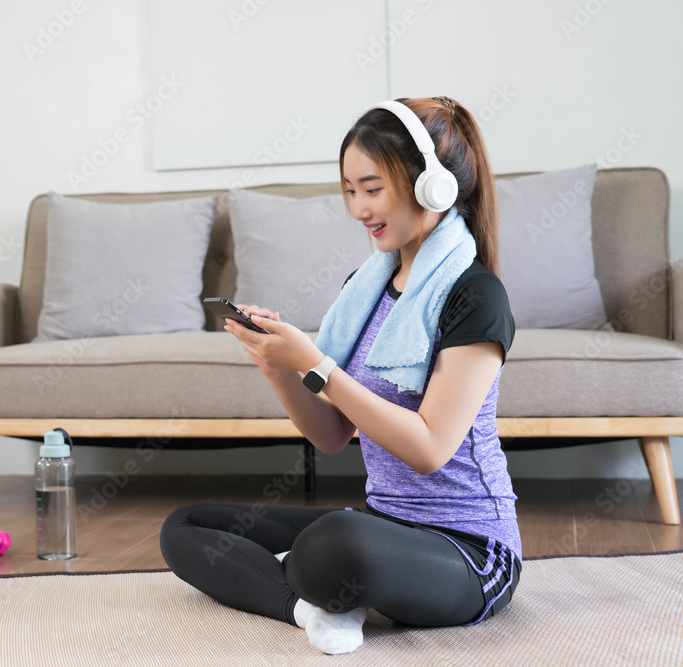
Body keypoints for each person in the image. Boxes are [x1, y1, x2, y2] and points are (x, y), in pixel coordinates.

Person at [159, 96, 521, 656]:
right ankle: (309, 605)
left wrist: (316, 365)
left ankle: (323, 580)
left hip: (468, 549)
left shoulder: (474, 296)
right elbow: (332, 437)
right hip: (385, 524)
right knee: (188, 525)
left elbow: (429, 448)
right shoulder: (367, 287)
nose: (358, 208)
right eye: (350, 190)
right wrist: (278, 367)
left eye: (372, 188)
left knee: (334, 544)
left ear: (432, 186)